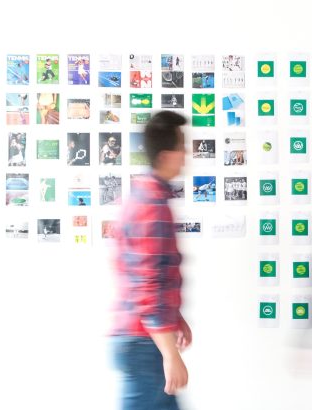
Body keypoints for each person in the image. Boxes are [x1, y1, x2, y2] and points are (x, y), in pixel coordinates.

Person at [112, 111, 190, 410]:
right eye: (182, 147)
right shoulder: (152, 205)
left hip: (143, 339)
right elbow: (147, 284)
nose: (186, 155)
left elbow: (145, 273)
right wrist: (171, 354)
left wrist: (175, 318)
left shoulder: (147, 197)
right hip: (143, 343)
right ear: (168, 154)